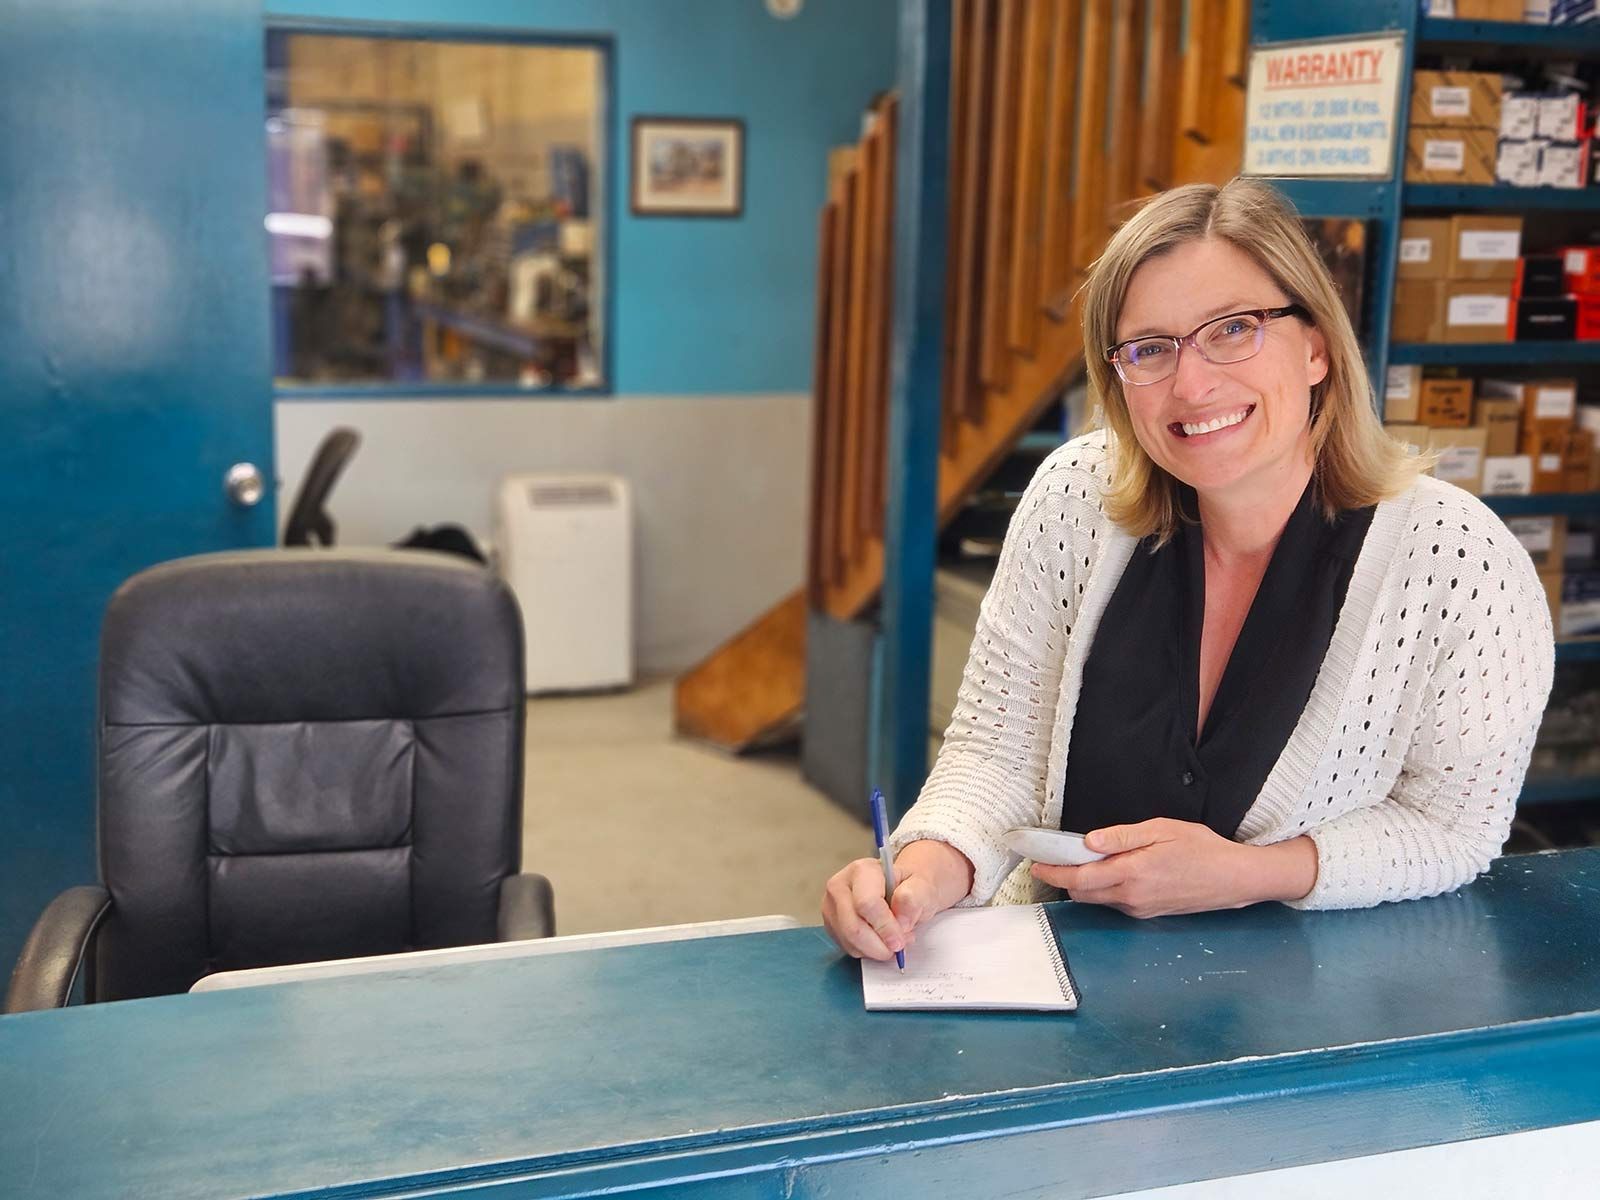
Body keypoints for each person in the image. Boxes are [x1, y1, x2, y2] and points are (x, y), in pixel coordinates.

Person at [822, 177, 1555, 963]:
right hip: (1066, 975)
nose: (1192, 384)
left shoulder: (1458, 561)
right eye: (1150, 349)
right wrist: (924, 874)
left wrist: (1252, 874)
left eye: (1234, 329)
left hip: (1309, 1000)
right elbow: (996, 752)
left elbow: (1454, 828)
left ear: (1316, 348)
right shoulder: (1074, 500)